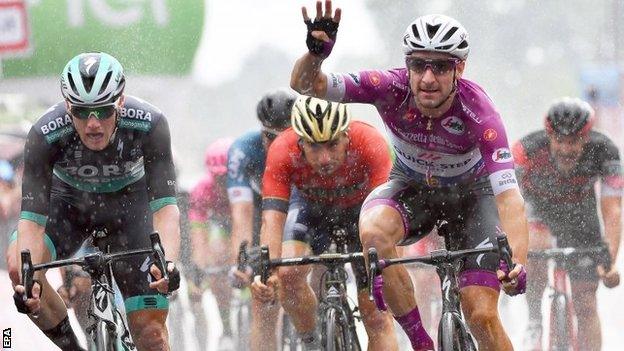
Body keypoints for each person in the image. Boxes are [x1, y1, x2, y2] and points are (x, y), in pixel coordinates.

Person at [290, 2, 529, 350]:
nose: (428, 78)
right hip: (413, 189)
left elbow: (509, 198)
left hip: (472, 198)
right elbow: (305, 85)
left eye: (441, 67)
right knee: (372, 231)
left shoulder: (480, 113)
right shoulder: (388, 87)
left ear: (459, 68)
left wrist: (517, 263)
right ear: (407, 65)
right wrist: (315, 56)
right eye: (418, 65)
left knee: (480, 315)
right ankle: (421, 342)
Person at [6, 52, 181, 351]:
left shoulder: (150, 124)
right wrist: (28, 279)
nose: (92, 124)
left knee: (151, 335)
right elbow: (32, 222)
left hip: (131, 210)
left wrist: (167, 263)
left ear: (120, 102)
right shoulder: (43, 134)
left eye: (103, 111)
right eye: (82, 112)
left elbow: (165, 208)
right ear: (67, 105)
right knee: (18, 268)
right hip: (69, 208)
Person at [251, 95, 397, 350]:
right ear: (300, 143)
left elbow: (388, 217)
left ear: (346, 137)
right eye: (314, 147)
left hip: (363, 212)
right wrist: (269, 272)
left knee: (377, 315)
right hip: (310, 210)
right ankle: (311, 342)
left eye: (331, 145)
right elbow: (272, 219)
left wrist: (387, 266)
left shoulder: (370, 141)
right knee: (287, 274)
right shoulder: (282, 149)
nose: (325, 158)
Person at [513, 97, 622, 351]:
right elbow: (507, 202)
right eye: (559, 141)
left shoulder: (605, 150)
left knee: (586, 303)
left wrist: (609, 261)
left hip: (580, 218)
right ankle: (534, 317)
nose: (565, 149)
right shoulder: (525, 149)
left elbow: (613, 210)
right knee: (535, 250)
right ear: (548, 136)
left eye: (573, 142)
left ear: (586, 138)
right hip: (538, 210)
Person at [227, 88, 297, 350]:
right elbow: (242, 215)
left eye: (285, 137)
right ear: (261, 131)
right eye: (269, 136)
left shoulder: (308, 147)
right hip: (260, 215)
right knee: (264, 300)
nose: (276, 144)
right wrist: (241, 259)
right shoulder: (242, 151)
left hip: (296, 212)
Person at [186, 137, 234, 350]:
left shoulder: (246, 184)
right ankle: (227, 326)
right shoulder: (202, 190)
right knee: (216, 255)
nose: (223, 183)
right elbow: (199, 237)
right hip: (220, 228)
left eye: (228, 177)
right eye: (218, 178)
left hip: (242, 222)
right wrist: (202, 269)